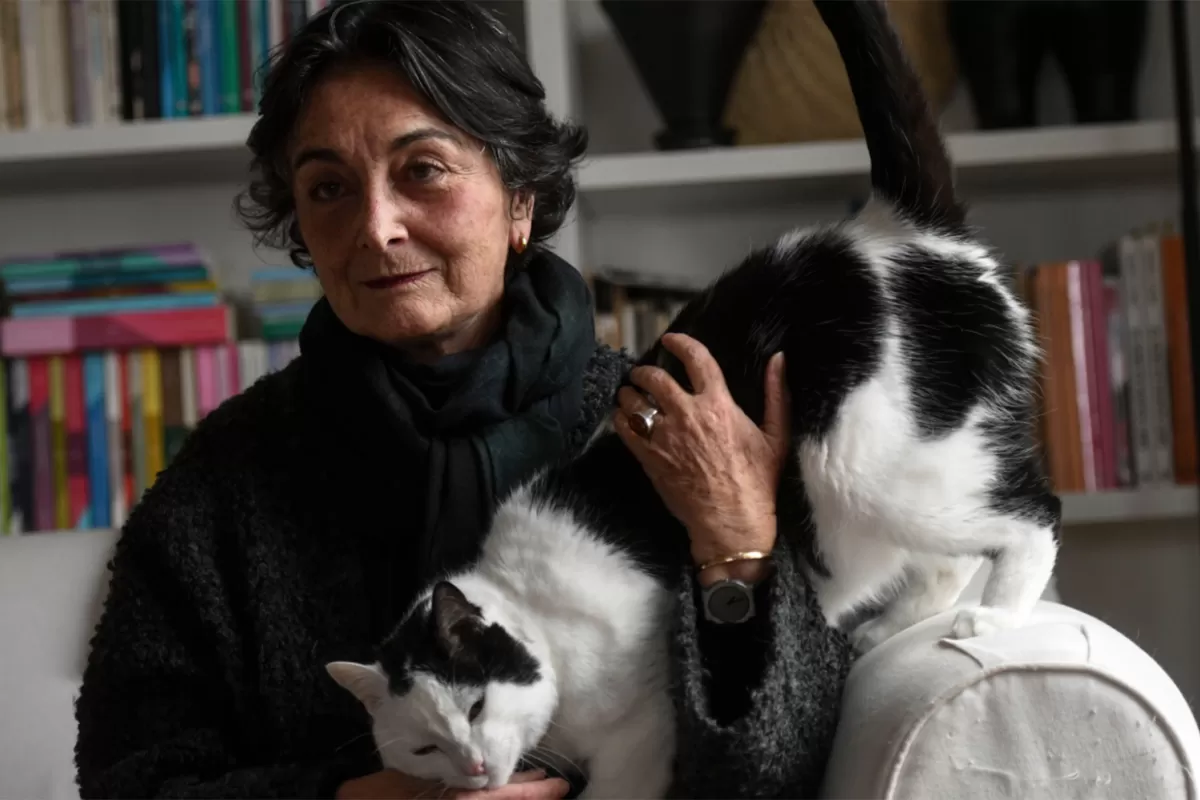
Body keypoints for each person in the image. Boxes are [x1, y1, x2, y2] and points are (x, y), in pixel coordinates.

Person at [72, 2, 852, 798]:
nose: (375, 227)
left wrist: (738, 545)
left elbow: (796, 763)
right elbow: (125, 781)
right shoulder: (226, 482)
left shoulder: (665, 421)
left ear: (520, 197)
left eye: (422, 170)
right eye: (330, 187)